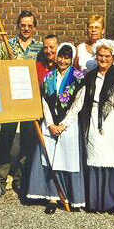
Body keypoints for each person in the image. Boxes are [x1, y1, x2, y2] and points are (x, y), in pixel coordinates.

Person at [0, 10, 43, 200]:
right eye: (23, 25)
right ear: (18, 26)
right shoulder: (7, 45)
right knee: (6, 139)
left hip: (30, 102)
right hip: (10, 100)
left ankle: (20, 180)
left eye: (30, 25)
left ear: (34, 28)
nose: (26, 29)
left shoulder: (40, 48)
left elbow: (44, 72)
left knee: (28, 142)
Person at [26, 43, 86, 214]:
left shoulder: (79, 77)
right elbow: (44, 101)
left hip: (69, 125)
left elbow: (78, 103)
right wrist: (51, 124)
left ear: (72, 58)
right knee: (51, 159)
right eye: (60, 56)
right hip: (51, 124)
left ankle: (71, 198)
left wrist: (64, 124)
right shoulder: (49, 77)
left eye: (67, 57)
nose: (63, 60)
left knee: (68, 159)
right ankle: (52, 197)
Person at [81, 39, 114, 215]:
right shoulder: (90, 75)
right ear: (96, 57)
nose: (103, 59)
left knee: (113, 158)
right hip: (94, 119)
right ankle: (95, 201)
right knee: (96, 157)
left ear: (113, 57)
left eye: (107, 56)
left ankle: (111, 201)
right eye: (100, 56)